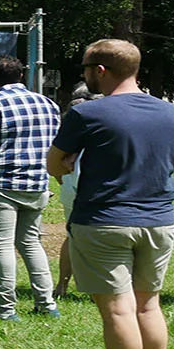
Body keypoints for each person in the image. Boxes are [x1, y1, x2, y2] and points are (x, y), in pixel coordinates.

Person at [47, 40, 174, 349]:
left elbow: (53, 164)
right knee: (148, 306)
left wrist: (68, 165)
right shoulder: (169, 112)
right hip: (159, 220)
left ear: (100, 70)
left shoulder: (87, 114)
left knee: (118, 310)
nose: (85, 74)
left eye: (85, 67)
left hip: (104, 221)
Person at [0, 55, 62, 321]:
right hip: (36, 184)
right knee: (31, 243)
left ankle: (5, 310)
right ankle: (47, 305)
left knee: (1, 246)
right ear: (21, 76)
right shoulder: (48, 104)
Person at [52, 84, 101, 299]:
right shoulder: (102, 122)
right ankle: (95, 289)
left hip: (70, 186)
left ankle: (61, 287)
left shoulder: (70, 123)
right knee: (99, 239)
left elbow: (55, 163)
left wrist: (63, 180)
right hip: (95, 188)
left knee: (72, 236)